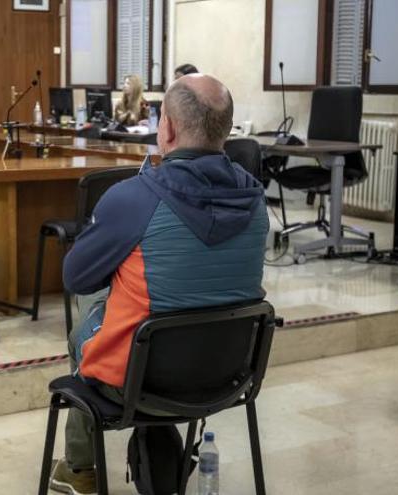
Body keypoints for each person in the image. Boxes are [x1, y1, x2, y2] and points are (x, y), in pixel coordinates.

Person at [48, 74, 269, 495]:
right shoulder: (256, 203)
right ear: (225, 130)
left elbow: (75, 276)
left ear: (165, 128)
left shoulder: (132, 198)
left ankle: (80, 468)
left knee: (96, 295)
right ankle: (153, 445)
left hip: (139, 379)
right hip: (230, 373)